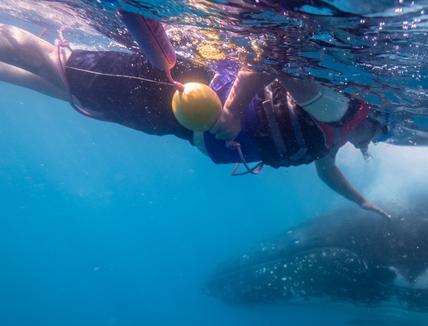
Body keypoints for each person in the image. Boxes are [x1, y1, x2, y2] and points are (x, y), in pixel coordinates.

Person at [0, 24, 391, 219]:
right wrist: (234, 110)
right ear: (370, 115)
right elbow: (274, 60)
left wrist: (362, 201)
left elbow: (327, 174)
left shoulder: (333, 138)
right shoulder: (337, 111)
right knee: (53, 64)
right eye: (378, 132)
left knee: (67, 87)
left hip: (180, 122)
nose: (372, 142)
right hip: (184, 92)